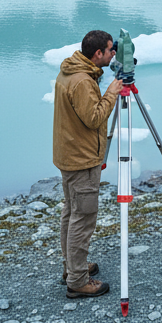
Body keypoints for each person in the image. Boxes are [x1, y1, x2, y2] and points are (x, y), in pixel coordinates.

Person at [52, 29, 123, 297]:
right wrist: (112, 92)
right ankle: (78, 281)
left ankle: (73, 268)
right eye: (109, 50)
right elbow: (94, 118)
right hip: (81, 158)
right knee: (82, 218)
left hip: (69, 153)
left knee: (71, 213)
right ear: (97, 54)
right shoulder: (82, 81)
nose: (113, 53)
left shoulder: (71, 70)